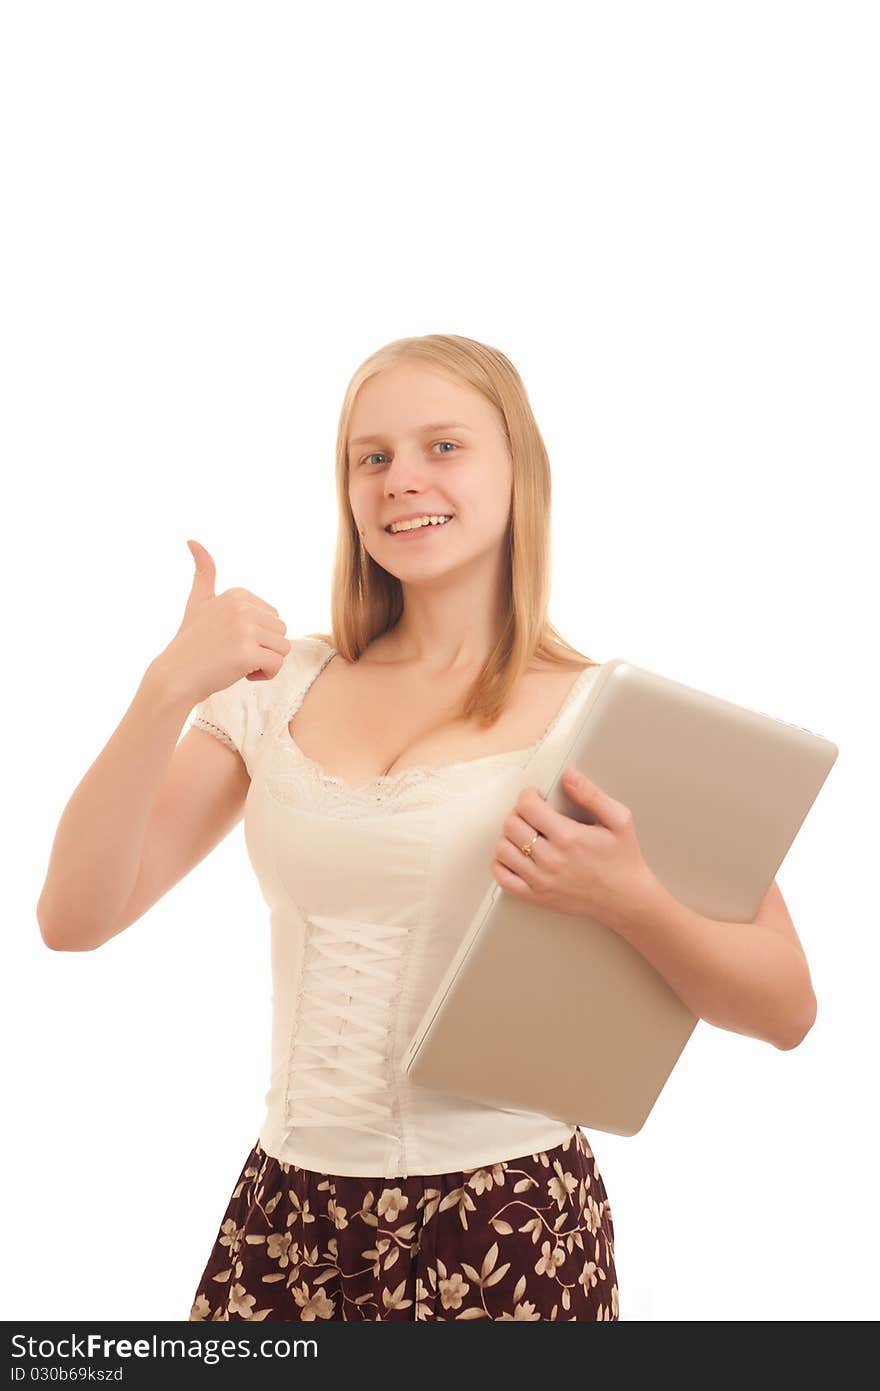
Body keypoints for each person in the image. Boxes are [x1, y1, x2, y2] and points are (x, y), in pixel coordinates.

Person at [37, 333, 816, 1322]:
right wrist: (164, 689)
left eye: (442, 446)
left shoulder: (605, 716)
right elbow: (73, 916)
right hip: (288, 1211)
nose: (401, 479)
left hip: (509, 1221)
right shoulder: (278, 689)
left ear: (517, 471)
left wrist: (628, 898)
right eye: (372, 457)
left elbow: (786, 1005)